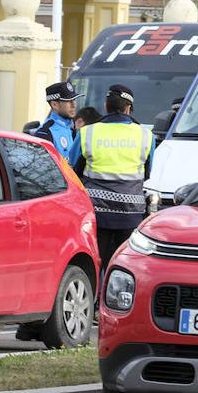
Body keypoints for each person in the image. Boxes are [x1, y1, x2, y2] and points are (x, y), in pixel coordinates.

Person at [72, 84, 154, 284]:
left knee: (94, 261)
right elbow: (147, 173)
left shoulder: (87, 133)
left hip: (96, 214)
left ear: (106, 106)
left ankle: (94, 305)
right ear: (128, 109)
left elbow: (73, 170)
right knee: (126, 266)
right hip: (131, 216)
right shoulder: (145, 135)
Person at [33, 81, 83, 167]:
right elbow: (42, 169)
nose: (74, 105)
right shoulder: (45, 132)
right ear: (54, 104)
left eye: (74, 100)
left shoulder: (73, 128)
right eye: (68, 101)